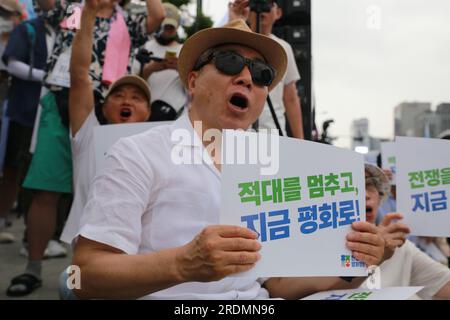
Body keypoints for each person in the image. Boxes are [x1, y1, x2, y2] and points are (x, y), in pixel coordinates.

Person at [71, 19, 385, 300]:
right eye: (230, 61)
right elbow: (82, 277)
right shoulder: (137, 153)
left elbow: (274, 283)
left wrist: (354, 262)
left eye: (263, 74)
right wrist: (182, 264)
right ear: (192, 82)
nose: (247, 78)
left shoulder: (269, 171)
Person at [5, 0, 164, 297]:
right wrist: (87, 8)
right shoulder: (71, 8)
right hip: (64, 99)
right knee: (45, 189)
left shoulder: (129, 20)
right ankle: (34, 268)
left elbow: (158, 15)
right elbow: (48, 12)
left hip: (110, 102)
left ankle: (113, 272)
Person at [361, 163, 450, 299]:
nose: (365, 194)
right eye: (352, 187)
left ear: (379, 198)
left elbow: (444, 284)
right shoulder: (322, 254)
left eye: (369, 185)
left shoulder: (398, 247)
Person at [229, 0, 304, 138]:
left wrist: (301, 142)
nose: (261, 10)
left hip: (272, 132)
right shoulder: (234, 42)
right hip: (237, 132)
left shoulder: (284, 48)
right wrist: (234, 20)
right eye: (254, 4)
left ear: (278, 13)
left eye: (267, 5)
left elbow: (291, 98)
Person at [136, 2, 186, 120]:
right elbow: (131, 84)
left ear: (177, 26)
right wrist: (151, 68)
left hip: (175, 116)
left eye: (171, 27)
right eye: (164, 26)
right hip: (142, 115)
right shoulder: (144, 47)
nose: (167, 31)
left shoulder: (185, 50)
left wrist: (180, 68)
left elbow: (193, 88)